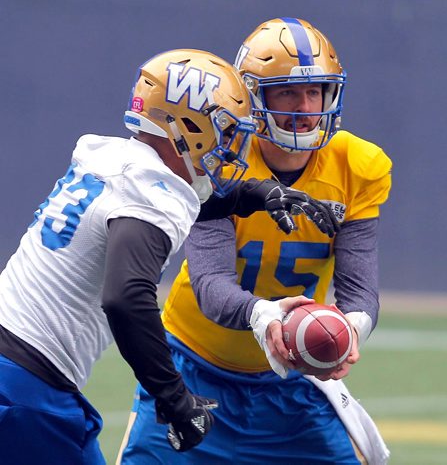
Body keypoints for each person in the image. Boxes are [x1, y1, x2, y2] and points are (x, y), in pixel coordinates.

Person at [0, 48, 340, 465]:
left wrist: (257, 194)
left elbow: (177, 206)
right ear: (190, 128)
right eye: (226, 130)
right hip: (26, 386)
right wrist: (174, 398)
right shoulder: (153, 192)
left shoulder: (108, 156)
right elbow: (126, 299)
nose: (232, 146)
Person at [118, 18, 392, 465]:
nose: (304, 106)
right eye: (286, 92)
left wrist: (347, 331)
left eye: (315, 90)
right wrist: (264, 318)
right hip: (194, 370)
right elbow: (210, 283)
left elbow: (360, 289)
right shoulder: (223, 155)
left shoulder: (357, 165)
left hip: (293, 385)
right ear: (253, 96)